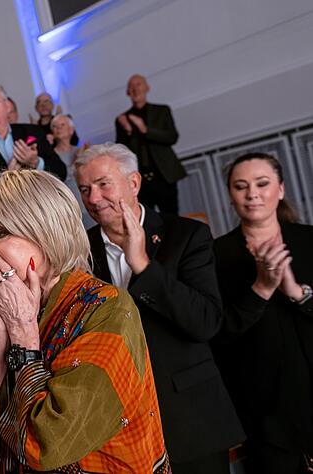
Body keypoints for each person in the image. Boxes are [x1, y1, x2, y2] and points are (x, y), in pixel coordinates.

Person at [0, 170, 169, 472]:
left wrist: (23, 334)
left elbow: (48, 443)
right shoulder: (6, 311)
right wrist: (1, 333)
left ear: (45, 233)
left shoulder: (107, 308)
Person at [74, 143, 244, 472]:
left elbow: (205, 322)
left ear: (134, 183)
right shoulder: (80, 252)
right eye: (85, 189)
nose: (94, 199)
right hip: (118, 427)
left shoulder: (187, 235)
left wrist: (143, 265)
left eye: (103, 184)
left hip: (189, 420)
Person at [213, 153, 313, 473]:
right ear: (231, 195)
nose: (252, 193)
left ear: (280, 190)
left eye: (262, 184)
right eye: (240, 186)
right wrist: (262, 287)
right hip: (262, 405)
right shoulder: (215, 255)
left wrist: (296, 292)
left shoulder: (310, 239)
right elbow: (218, 333)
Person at [0, 83, 65, 180]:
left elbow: (61, 172)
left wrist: (36, 163)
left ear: (7, 106)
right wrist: (6, 177)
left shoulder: (32, 131)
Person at [115, 74, 185, 214]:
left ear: (147, 88)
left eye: (138, 84)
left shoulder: (162, 111)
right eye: (131, 86)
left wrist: (145, 130)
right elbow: (121, 152)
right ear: (128, 92)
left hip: (164, 175)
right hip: (139, 178)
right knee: (146, 218)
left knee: (172, 217)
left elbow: (172, 137)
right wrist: (128, 131)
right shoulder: (122, 120)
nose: (135, 89)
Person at [51, 115, 96, 229]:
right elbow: (57, 181)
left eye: (62, 125)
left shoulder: (82, 151)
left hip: (89, 204)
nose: (58, 128)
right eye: (55, 126)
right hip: (68, 211)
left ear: (71, 130)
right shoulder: (50, 156)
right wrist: (76, 161)